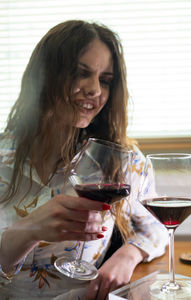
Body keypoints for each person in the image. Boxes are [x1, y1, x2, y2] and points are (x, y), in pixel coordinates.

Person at [0, 20, 168, 300]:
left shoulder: (123, 163)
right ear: (43, 76)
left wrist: (128, 255)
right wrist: (27, 230)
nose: (95, 90)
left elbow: (157, 227)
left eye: (105, 80)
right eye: (81, 74)